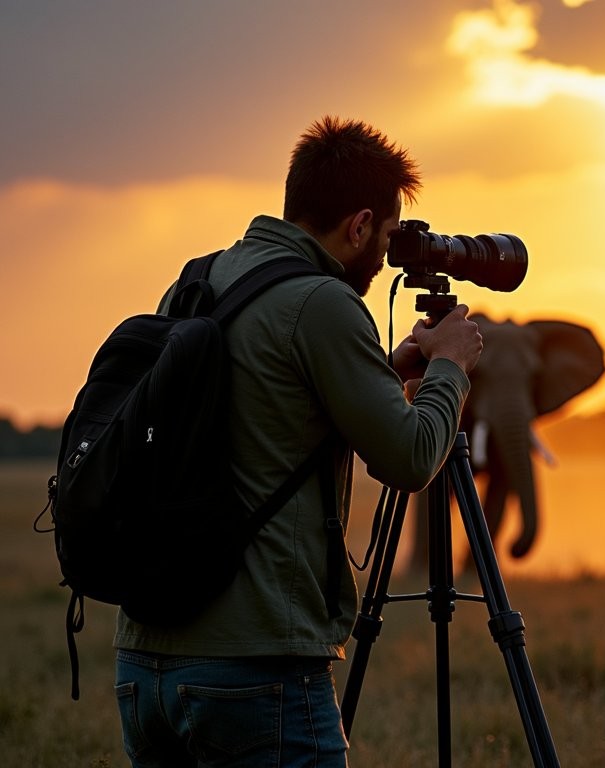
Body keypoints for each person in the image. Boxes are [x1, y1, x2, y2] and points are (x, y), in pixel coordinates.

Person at [111, 116, 483, 767]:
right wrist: (449, 367)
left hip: (144, 665)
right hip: (255, 670)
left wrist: (381, 376)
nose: (384, 259)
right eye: (387, 238)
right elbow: (411, 458)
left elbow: (259, 409)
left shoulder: (196, 281)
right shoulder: (323, 302)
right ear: (360, 224)